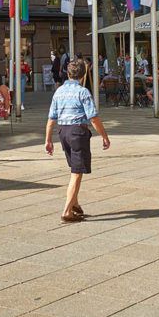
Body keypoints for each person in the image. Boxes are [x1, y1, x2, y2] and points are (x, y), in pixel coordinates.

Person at [45, 58, 111, 223]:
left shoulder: (59, 91)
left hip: (63, 132)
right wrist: (104, 136)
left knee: (75, 168)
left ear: (68, 73)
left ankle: (75, 204)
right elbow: (93, 118)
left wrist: (48, 140)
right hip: (78, 132)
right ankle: (67, 210)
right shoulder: (83, 92)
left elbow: (51, 118)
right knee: (77, 172)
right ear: (83, 75)